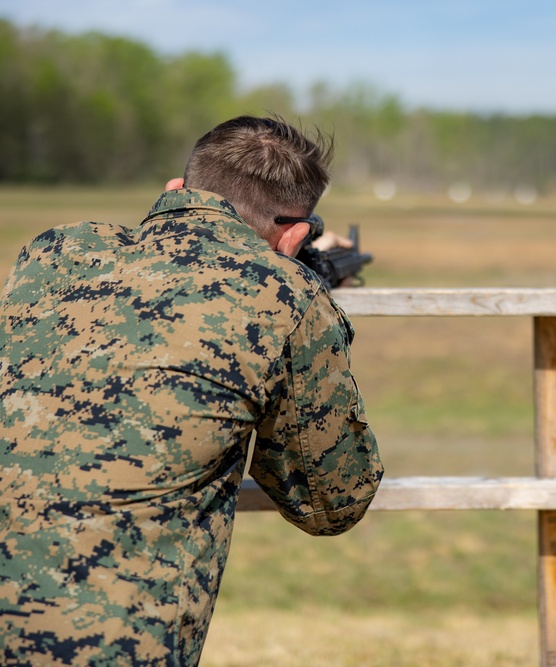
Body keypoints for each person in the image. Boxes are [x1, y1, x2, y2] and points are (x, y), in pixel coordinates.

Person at [0, 115, 383, 665]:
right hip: (115, 642)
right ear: (297, 235)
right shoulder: (284, 293)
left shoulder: (54, 251)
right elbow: (331, 504)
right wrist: (304, 290)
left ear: (176, 191)